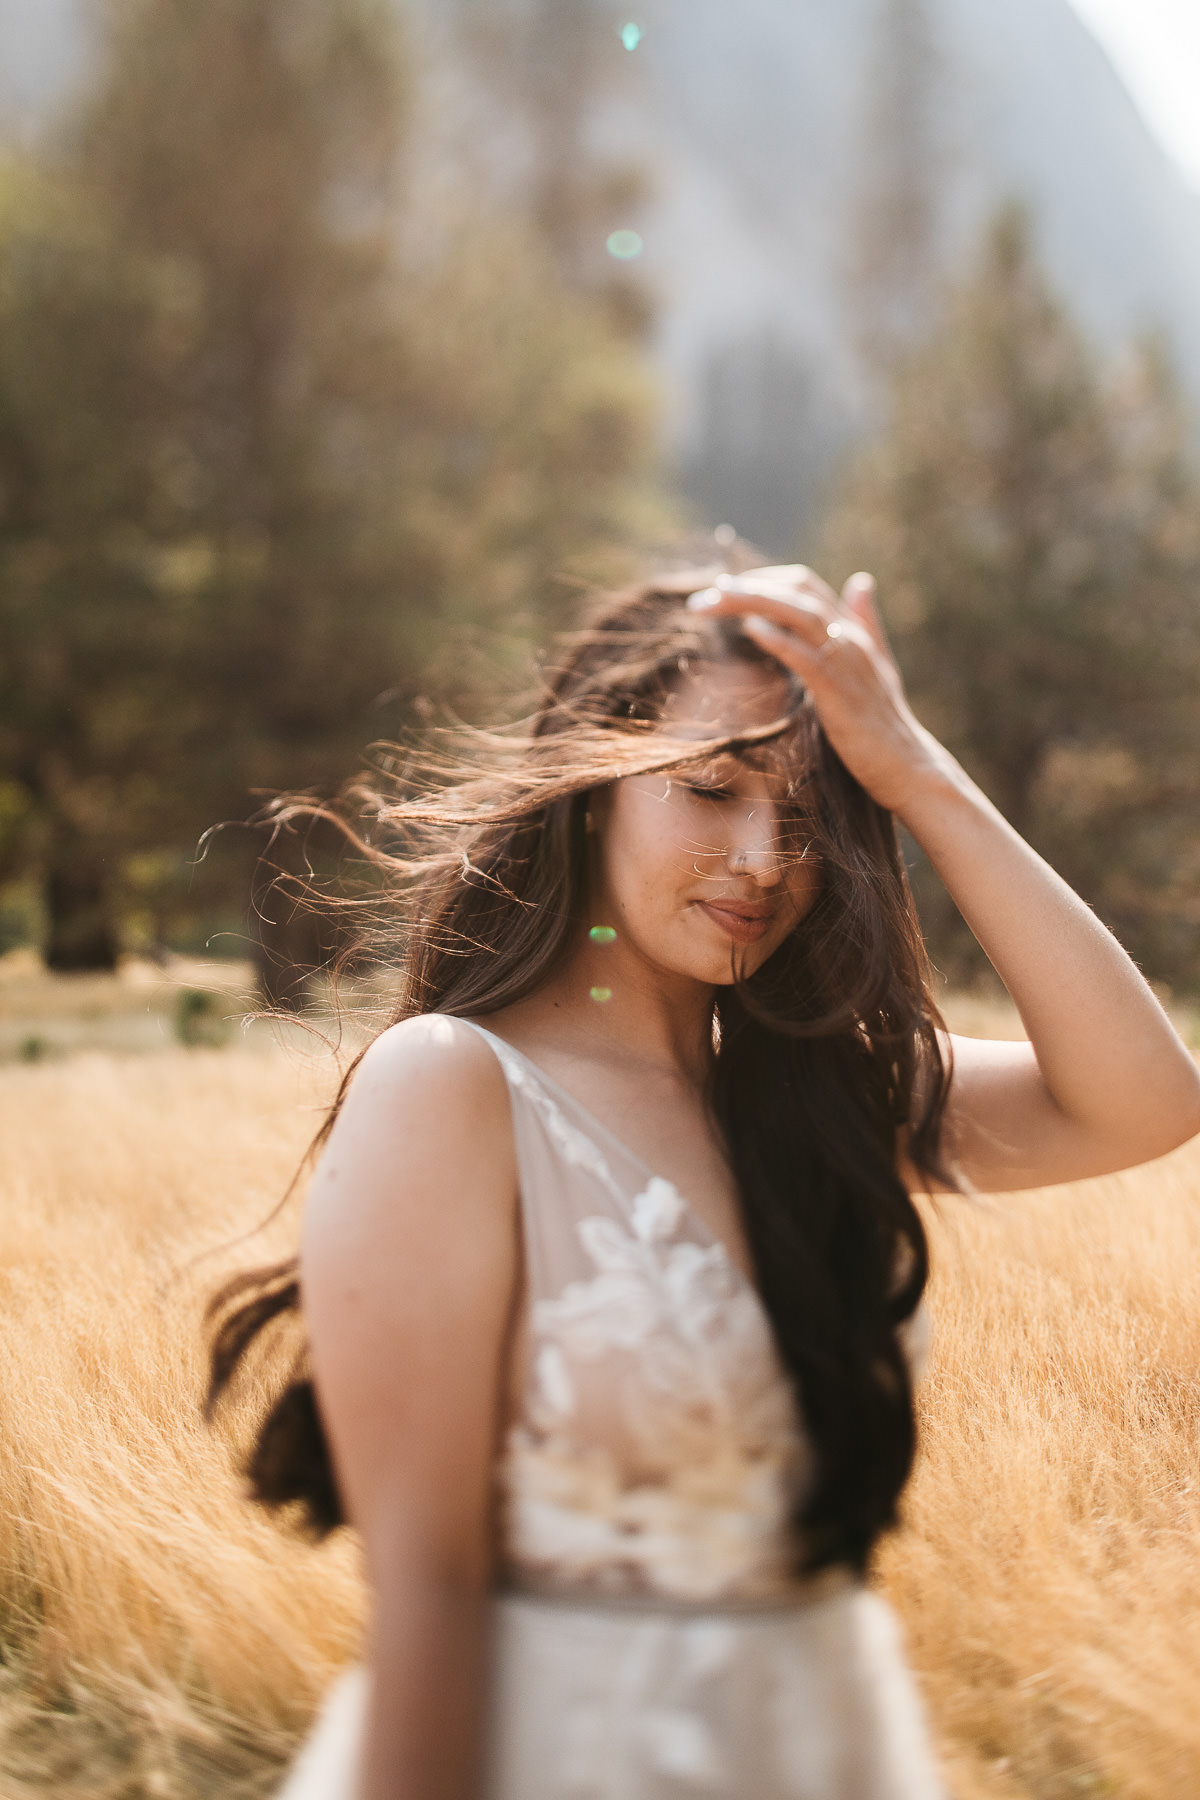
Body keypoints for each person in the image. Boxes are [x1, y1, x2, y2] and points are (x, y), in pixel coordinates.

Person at [209, 564, 1200, 1800]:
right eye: (710, 788)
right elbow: (431, 1598)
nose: (764, 858)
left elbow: (1150, 1101)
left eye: (809, 811)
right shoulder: (453, 1089)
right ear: (589, 793)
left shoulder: (822, 1100)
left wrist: (916, 773)